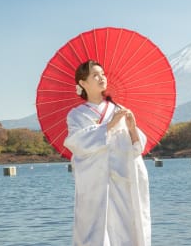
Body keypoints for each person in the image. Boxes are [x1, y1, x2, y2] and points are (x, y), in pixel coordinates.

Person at [64, 60, 151, 246]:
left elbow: (136, 149)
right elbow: (77, 143)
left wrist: (132, 128)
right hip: (94, 184)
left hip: (121, 180)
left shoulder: (118, 110)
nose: (101, 77)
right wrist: (109, 126)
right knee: (95, 234)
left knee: (125, 230)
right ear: (83, 83)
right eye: (95, 75)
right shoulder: (76, 115)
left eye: (103, 74)